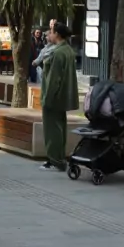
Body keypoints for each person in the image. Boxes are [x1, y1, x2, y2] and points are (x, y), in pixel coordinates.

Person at [39, 22, 79, 172]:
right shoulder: (67, 50)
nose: (49, 34)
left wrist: (47, 98)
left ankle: (55, 160)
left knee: (52, 129)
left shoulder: (58, 53)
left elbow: (54, 79)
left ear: (57, 34)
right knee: (60, 127)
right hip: (63, 96)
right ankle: (59, 158)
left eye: (51, 31)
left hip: (54, 97)